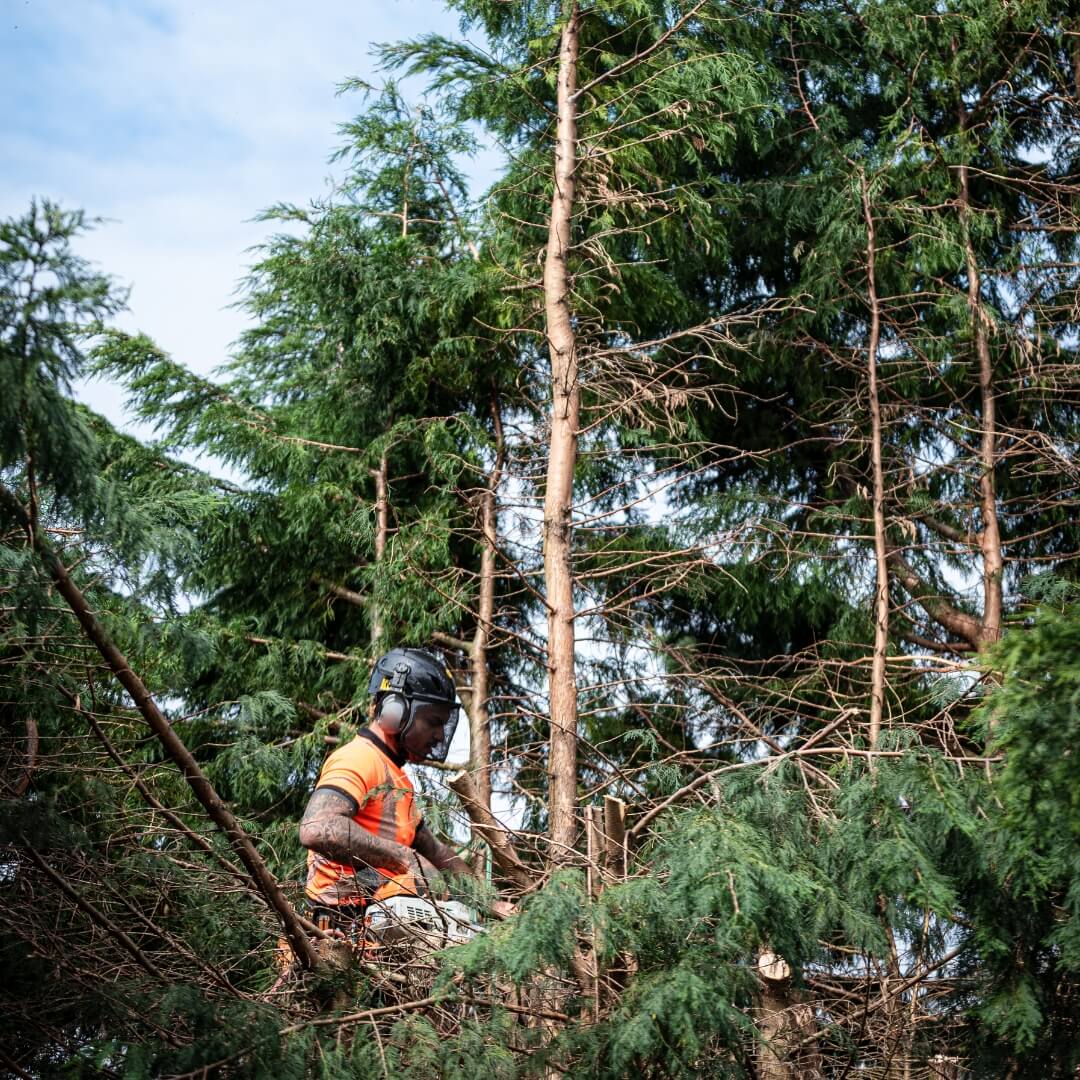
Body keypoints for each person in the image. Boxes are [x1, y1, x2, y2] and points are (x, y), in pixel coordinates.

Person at [299, 646, 509, 926]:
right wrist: (404, 858)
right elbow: (317, 829)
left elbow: (436, 852)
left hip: (378, 935)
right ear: (394, 710)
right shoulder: (359, 757)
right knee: (420, 878)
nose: (437, 736)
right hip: (341, 927)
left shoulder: (399, 780)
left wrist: (489, 901)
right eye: (433, 722)